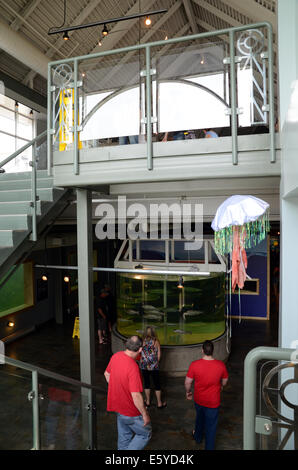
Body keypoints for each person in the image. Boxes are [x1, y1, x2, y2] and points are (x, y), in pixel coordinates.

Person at [104, 335, 152, 450]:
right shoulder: (133, 367)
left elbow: (107, 374)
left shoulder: (116, 356)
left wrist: (118, 388)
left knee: (124, 437)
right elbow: (135, 395)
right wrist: (145, 414)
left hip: (118, 407)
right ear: (140, 349)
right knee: (145, 434)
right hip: (131, 412)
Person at [184, 340, 228, 450]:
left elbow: (188, 382)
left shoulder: (194, 365)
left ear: (202, 350)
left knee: (199, 418)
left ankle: (198, 437)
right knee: (211, 427)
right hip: (213, 402)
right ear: (213, 351)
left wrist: (188, 392)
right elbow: (225, 380)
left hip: (199, 400)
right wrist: (221, 386)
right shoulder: (221, 365)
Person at [140, 326, 166, 409]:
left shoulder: (142, 341)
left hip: (144, 365)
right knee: (157, 384)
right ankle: (159, 403)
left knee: (147, 383)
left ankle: (147, 402)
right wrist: (156, 363)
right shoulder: (156, 341)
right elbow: (159, 355)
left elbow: (140, 353)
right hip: (154, 366)